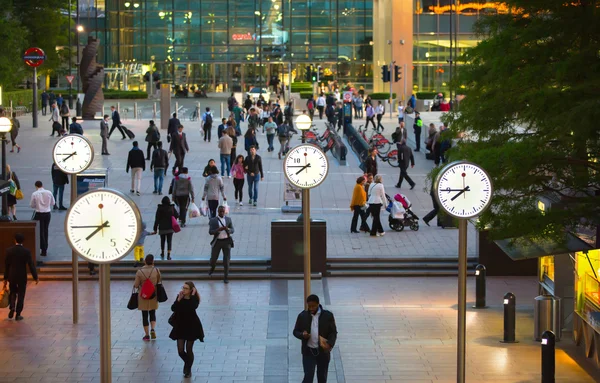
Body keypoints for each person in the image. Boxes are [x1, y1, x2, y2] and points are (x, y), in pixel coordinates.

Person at [293, 294, 338, 383]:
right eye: (309, 306)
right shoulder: (302, 316)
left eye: (313, 306)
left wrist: (330, 343)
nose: (311, 308)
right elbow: (295, 331)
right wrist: (302, 334)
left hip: (323, 352)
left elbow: (333, 332)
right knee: (308, 375)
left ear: (318, 304)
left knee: (322, 376)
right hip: (308, 351)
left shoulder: (328, 316)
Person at [169, 281, 205, 378]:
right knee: (180, 350)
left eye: (186, 288)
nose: (183, 290)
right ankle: (188, 362)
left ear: (191, 290)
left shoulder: (194, 298)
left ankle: (188, 370)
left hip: (192, 326)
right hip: (180, 325)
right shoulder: (179, 296)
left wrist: (193, 295)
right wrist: (178, 300)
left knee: (189, 349)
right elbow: (173, 308)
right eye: (183, 287)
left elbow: (193, 307)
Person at [3, 233, 39, 321]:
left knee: (13, 292)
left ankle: (12, 307)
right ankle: (18, 314)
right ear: (23, 241)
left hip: (12, 275)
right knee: (21, 294)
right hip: (22, 276)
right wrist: (35, 277)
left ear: (15, 240)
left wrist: (5, 278)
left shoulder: (9, 251)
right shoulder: (26, 251)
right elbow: (31, 265)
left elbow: (6, 265)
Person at [133, 254, 161, 340]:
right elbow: (159, 282)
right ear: (153, 261)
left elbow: (136, 285)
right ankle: (152, 329)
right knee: (153, 313)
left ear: (145, 261)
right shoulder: (156, 270)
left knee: (144, 315)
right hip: (153, 294)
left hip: (143, 296)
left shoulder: (139, 271)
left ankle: (146, 335)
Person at [208, 205, 234, 283]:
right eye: (220, 211)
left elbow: (233, 229)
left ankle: (226, 277)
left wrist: (228, 229)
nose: (222, 213)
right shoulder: (213, 220)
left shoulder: (228, 219)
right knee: (213, 259)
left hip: (226, 242)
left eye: (223, 211)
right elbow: (210, 232)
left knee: (226, 260)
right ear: (218, 212)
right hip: (217, 241)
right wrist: (218, 230)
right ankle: (212, 267)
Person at [30, 181, 55, 257]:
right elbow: (53, 203)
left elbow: (32, 205)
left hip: (39, 213)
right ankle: (45, 248)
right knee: (45, 230)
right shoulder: (49, 192)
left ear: (36, 186)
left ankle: (43, 248)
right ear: (42, 185)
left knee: (40, 232)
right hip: (47, 213)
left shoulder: (34, 194)